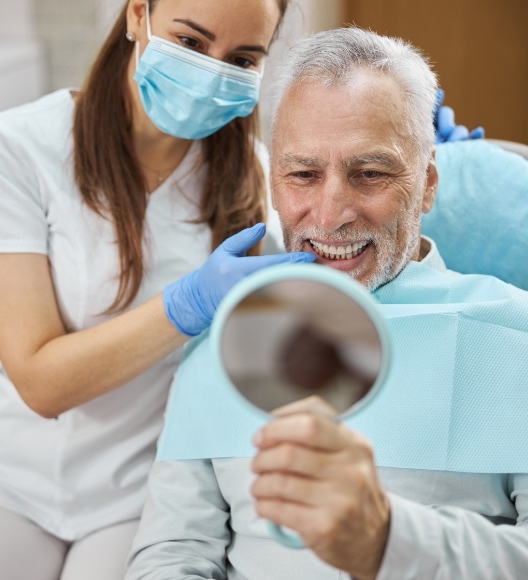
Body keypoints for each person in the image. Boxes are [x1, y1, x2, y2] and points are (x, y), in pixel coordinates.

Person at [0, 1, 320, 579]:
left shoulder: (252, 176)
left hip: (145, 492)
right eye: (192, 43)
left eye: (242, 58)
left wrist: (424, 167)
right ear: (137, 15)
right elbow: (41, 383)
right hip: (9, 480)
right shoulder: (15, 150)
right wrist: (187, 305)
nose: (212, 71)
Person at [125, 28, 528, 579]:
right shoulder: (221, 343)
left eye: (370, 174)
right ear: (274, 185)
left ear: (428, 184)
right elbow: (172, 551)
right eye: (303, 175)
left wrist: (387, 541)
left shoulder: (515, 337)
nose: (331, 212)